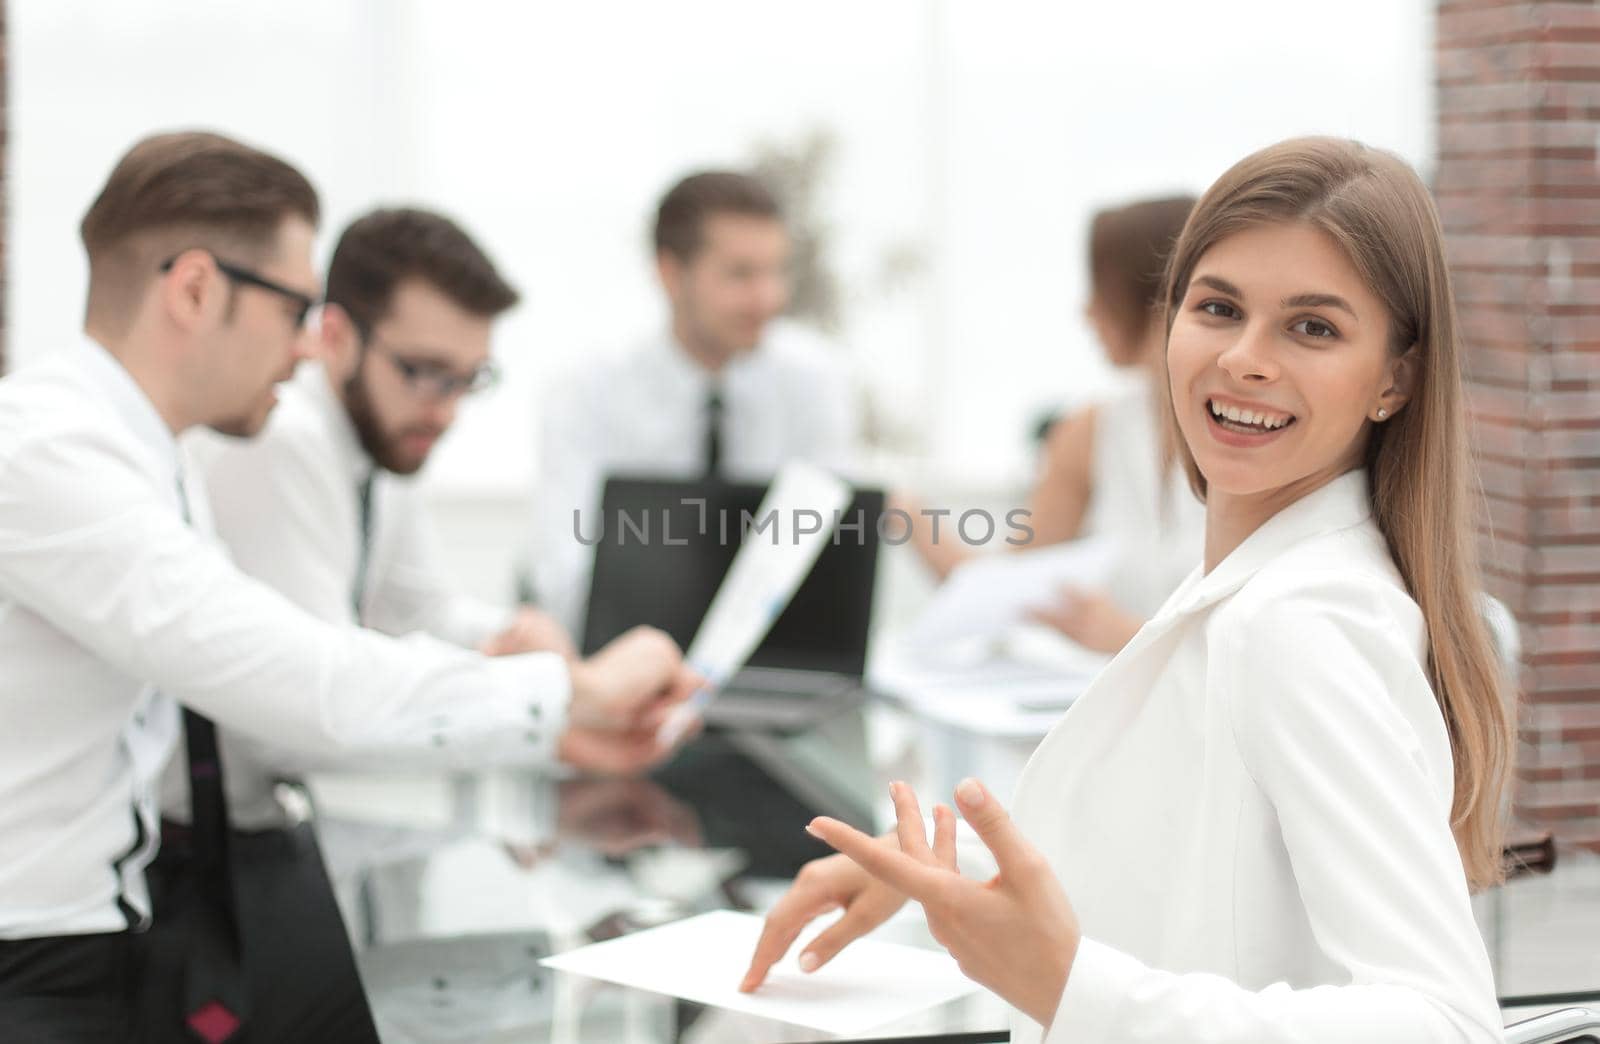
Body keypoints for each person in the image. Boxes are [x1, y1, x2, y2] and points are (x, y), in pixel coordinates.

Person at [742, 137, 1512, 1043]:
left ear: (1396, 378)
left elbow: (1446, 1021)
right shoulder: (1247, 587)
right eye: (1218, 307)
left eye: (1313, 327)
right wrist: (947, 878)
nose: (1246, 360)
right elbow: (1192, 856)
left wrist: (1075, 989)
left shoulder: (1293, 625)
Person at [0, 131, 696, 1042]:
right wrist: (571, 695)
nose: (305, 350)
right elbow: (303, 681)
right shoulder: (51, 455)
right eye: (295, 309)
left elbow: (358, 640)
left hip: (98, 928)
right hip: (37, 956)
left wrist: (547, 694)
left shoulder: (137, 452)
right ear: (197, 290)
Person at [171, 207, 632, 834]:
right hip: (202, 844)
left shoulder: (383, 431)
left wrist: (518, 634)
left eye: (467, 380)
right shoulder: (283, 438)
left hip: (270, 823)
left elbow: (416, 611)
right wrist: (555, 695)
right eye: (423, 372)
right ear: (334, 337)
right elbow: (306, 719)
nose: (445, 412)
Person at [529, 170, 858, 635]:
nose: (767, 298)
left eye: (776, 271)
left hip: (780, 652)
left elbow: (833, 559)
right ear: (671, 274)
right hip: (626, 652)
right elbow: (561, 570)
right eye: (741, 274)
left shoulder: (816, 381)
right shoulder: (586, 390)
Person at [902, 196, 1203, 655]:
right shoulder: (1089, 431)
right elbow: (1007, 587)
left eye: (1101, 289)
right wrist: (905, 512)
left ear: (1151, 294)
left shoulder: (1252, 427)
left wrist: (1122, 635)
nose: (1087, 312)